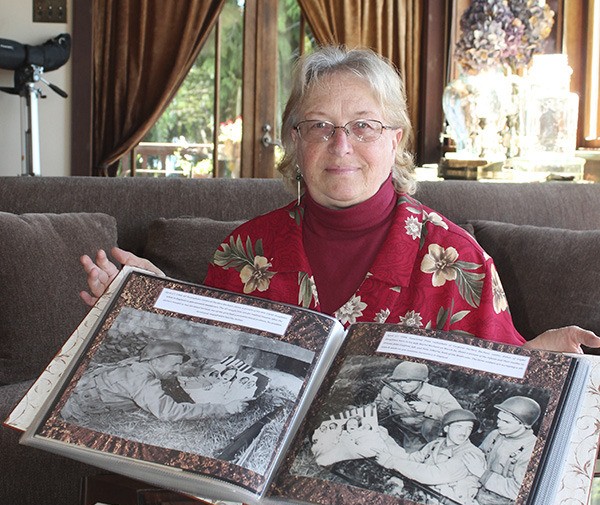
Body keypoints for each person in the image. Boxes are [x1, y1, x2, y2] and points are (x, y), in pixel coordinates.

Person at [79, 46, 600, 356]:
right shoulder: (244, 250)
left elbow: (495, 381)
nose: (341, 145)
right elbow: (207, 360)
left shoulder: (456, 260)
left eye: (363, 127)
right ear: (295, 142)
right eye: (319, 126)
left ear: (396, 140)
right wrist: (154, 301)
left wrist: (534, 358)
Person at [61, 340, 216, 423]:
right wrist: (219, 409)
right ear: (155, 361)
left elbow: (175, 378)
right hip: (65, 404)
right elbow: (169, 412)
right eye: (175, 364)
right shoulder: (141, 380)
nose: (178, 369)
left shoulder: (140, 364)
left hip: (68, 383)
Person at [372, 408, 485, 505]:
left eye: (468, 428)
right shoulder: (437, 444)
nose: (464, 433)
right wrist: (386, 440)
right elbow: (412, 459)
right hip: (426, 498)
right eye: (459, 427)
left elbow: (433, 474)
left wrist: (392, 462)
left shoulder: (471, 454)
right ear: (446, 428)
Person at [462, 395, 541, 505]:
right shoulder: (496, 434)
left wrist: (482, 474)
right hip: (475, 489)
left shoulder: (531, 451)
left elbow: (518, 491)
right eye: (499, 419)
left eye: (506, 422)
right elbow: (480, 454)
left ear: (524, 425)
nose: (499, 424)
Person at [375, 361, 461, 451]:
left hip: (436, 433)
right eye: (398, 381)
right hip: (410, 433)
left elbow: (459, 416)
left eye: (408, 381)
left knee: (430, 426)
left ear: (421, 381)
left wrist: (427, 408)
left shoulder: (438, 394)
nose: (401, 385)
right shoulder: (391, 389)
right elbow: (379, 406)